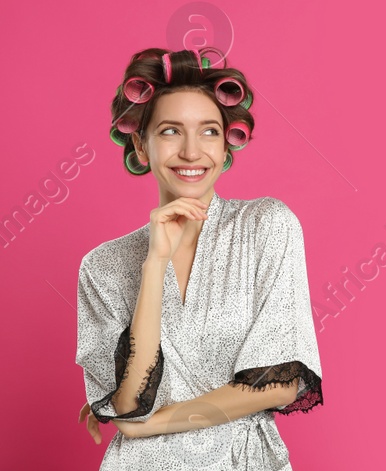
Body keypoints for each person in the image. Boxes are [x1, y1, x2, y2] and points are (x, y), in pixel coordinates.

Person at [75, 47, 324, 470]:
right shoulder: (102, 266)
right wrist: (154, 265)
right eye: (171, 131)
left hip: (243, 460)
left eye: (209, 131)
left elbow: (280, 384)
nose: (192, 152)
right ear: (140, 143)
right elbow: (131, 400)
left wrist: (145, 425)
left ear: (227, 141)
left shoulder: (266, 226)